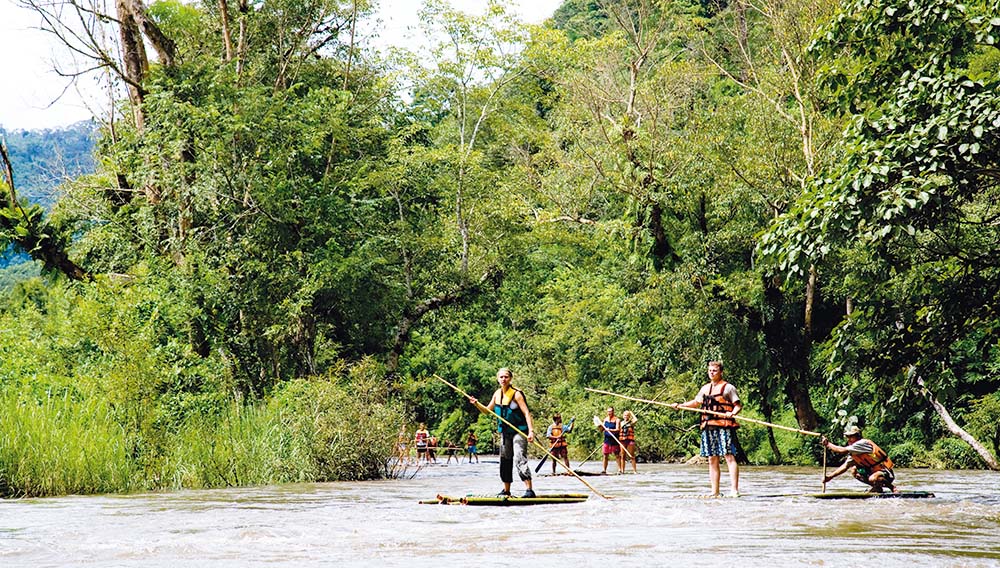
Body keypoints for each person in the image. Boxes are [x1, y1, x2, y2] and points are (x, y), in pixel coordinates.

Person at [673, 361, 742, 497]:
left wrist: (732, 413)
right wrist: (680, 405)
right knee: (712, 459)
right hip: (708, 426)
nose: (711, 373)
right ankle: (715, 491)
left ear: (720, 372)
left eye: (714, 370)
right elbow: (696, 402)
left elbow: (738, 405)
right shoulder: (704, 389)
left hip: (723, 426)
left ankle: (734, 489)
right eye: (710, 370)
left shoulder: (728, 388)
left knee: (728, 456)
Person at [468, 367, 536, 498]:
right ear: (497, 379)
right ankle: (506, 490)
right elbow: (487, 411)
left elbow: (527, 413)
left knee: (519, 458)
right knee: (505, 460)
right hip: (505, 433)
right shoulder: (497, 394)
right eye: (501, 377)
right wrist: (476, 404)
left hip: (519, 431)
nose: (504, 379)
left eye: (506, 377)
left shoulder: (516, 394)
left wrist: (531, 431)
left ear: (510, 379)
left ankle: (529, 490)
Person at [822, 425, 898, 493]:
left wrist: (828, 444)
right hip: (874, 473)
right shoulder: (854, 452)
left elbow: (842, 450)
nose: (849, 439)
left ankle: (892, 488)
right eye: (847, 437)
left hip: (885, 473)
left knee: (872, 478)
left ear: (858, 436)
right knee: (854, 471)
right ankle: (877, 488)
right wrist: (830, 477)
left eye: (851, 436)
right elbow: (845, 467)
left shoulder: (861, 443)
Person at [598, 407, 624, 475]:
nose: (609, 413)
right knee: (605, 455)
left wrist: (610, 430)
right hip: (607, 440)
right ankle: (604, 470)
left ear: (613, 412)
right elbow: (601, 430)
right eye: (608, 411)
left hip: (614, 440)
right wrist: (600, 427)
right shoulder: (605, 419)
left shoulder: (617, 420)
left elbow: (618, 429)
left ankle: (620, 469)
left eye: (611, 411)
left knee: (617, 455)